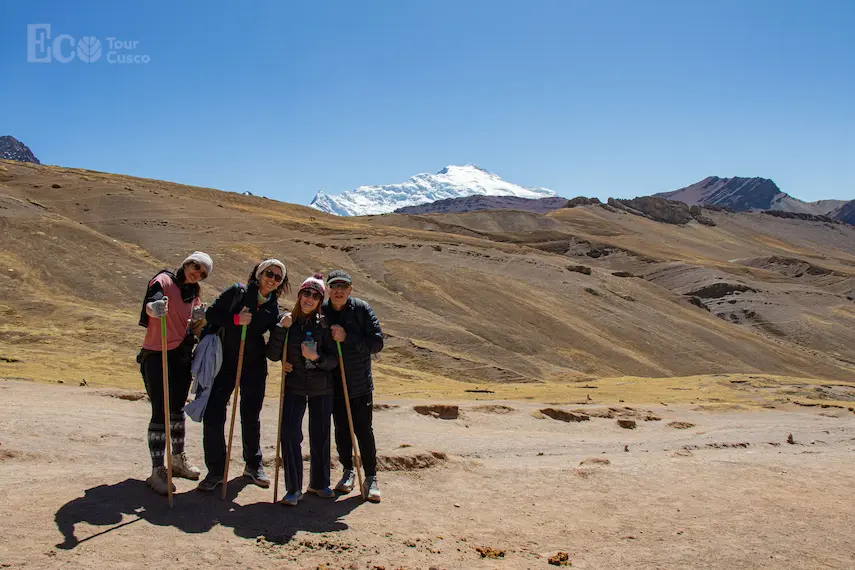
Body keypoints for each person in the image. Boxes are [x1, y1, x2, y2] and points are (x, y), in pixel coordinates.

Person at [197, 259, 290, 492]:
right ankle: (216, 471)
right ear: (259, 273)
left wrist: (283, 331)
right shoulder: (237, 292)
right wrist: (236, 320)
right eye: (269, 273)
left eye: (278, 277)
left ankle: (253, 465)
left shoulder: (272, 306)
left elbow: (272, 339)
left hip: (254, 366)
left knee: (251, 416)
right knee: (214, 414)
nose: (272, 279)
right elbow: (212, 314)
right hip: (225, 362)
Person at [137, 251, 212, 495]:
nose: (197, 273)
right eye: (195, 266)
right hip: (157, 354)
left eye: (202, 273)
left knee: (177, 409)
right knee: (160, 410)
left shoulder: (194, 293)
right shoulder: (163, 280)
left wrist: (199, 321)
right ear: (187, 262)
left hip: (181, 355)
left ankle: (177, 460)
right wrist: (154, 308)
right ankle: (158, 470)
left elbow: (194, 325)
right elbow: (153, 301)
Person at [267, 273, 339, 506]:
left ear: (320, 301)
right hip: (294, 386)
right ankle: (293, 488)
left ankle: (319, 483)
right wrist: (280, 329)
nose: (310, 298)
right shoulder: (287, 322)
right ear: (299, 295)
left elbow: (334, 361)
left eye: (315, 296)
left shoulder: (324, 325)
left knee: (320, 436)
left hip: (321, 388)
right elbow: (273, 354)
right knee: (289, 435)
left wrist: (316, 358)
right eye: (306, 293)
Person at [321, 269, 384, 503]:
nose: (338, 291)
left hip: (359, 383)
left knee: (363, 431)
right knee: (341, 429)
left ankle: (370, 477)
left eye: (343, 287)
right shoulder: (323, 311)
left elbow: (376, 343)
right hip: (332, 383)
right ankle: (348, 471)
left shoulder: (361, 310)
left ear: (350, 289)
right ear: (328, 289)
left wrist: (348, 338)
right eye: (334, 286)